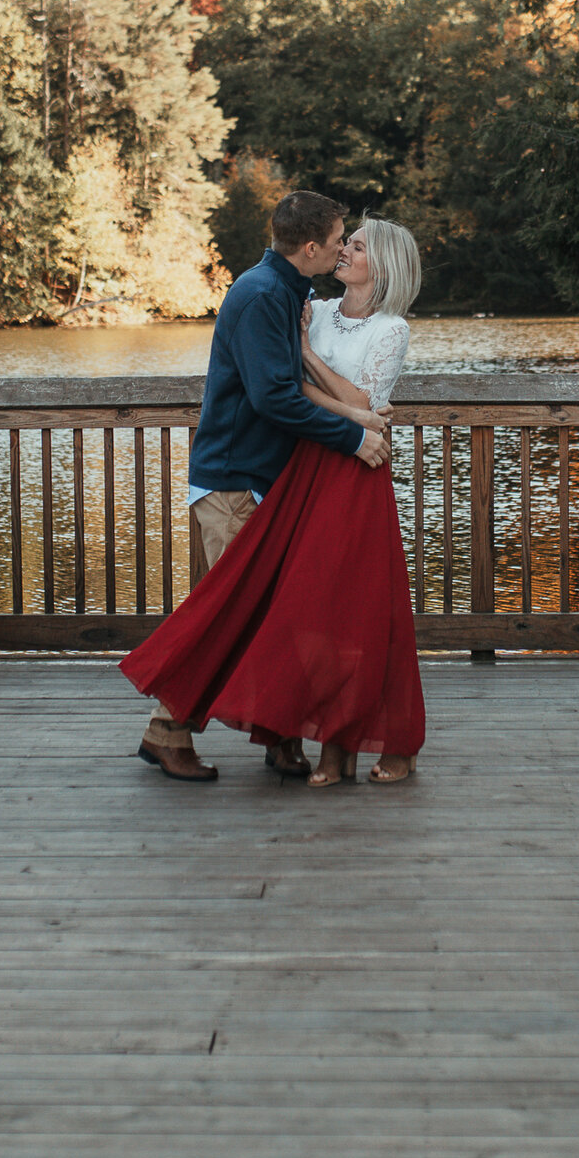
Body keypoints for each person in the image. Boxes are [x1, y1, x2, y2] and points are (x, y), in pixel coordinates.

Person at [124, 216, 426, 787]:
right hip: (248, 474)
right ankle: (168, 730)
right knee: (236, 613)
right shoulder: (277, 298)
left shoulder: (314, 306)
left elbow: (332, 390)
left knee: (286, 611)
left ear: (381, 264)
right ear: (310, 247)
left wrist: (326, 377)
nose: (344, 250)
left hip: (297, 478)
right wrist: (356, 421)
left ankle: (285, 740)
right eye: (343, 240)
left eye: (355, 245)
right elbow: (279, 395)